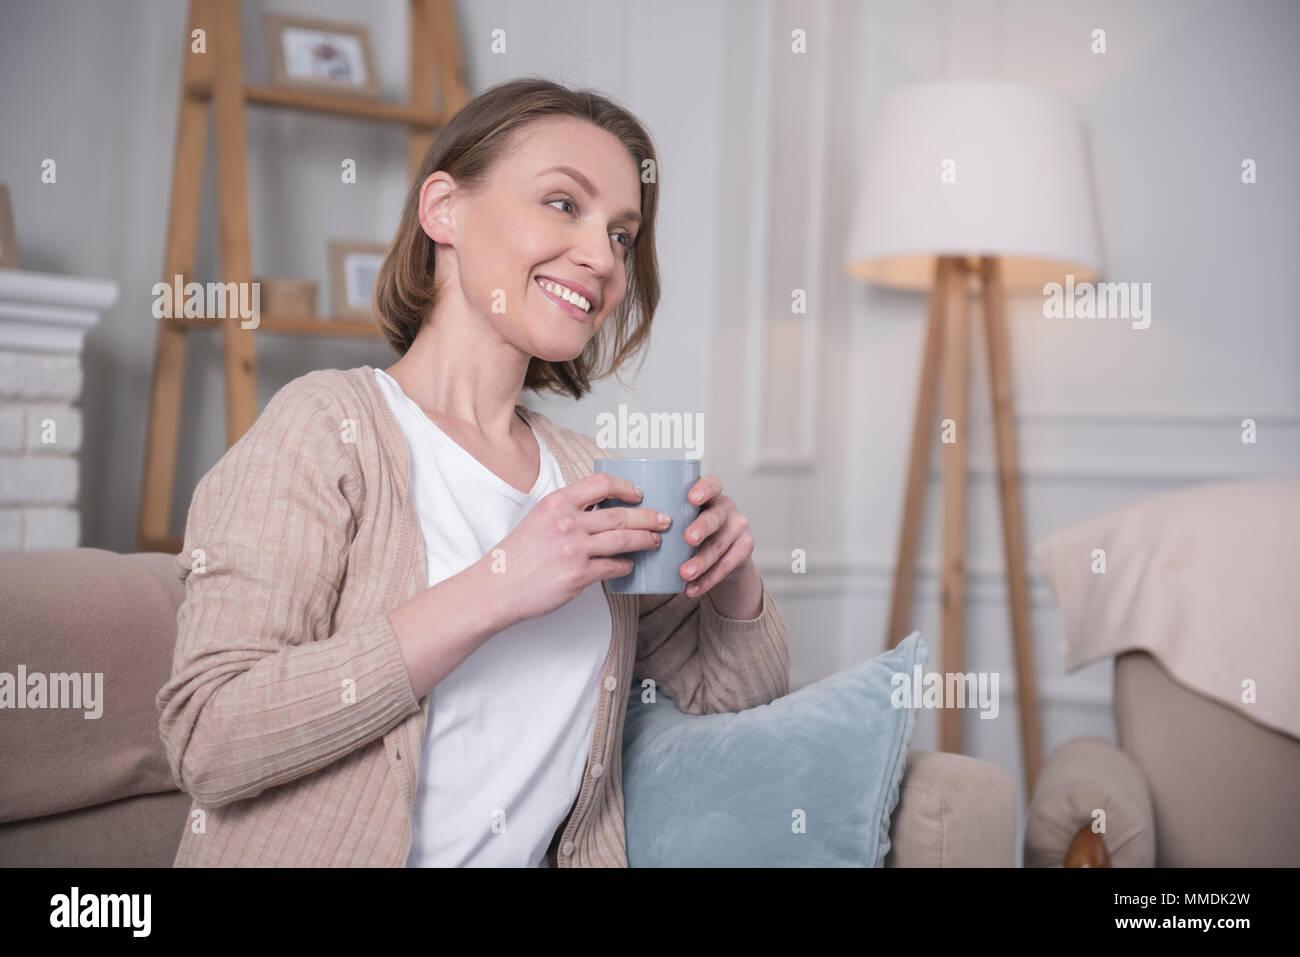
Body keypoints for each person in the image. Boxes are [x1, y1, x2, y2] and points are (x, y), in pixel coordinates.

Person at [156, 76, 790, 868]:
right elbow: (210, 736)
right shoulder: (327, 429)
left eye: (623, 235)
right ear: (443, 210)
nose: (601, 256)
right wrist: (497, 583)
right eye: (564, 204)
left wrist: (732, 578)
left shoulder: (588, 477)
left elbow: (727, 697)